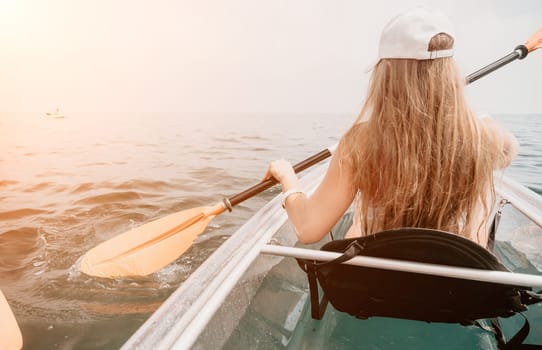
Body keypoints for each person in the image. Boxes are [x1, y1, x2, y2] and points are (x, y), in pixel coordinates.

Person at [263, 8, 519, 248]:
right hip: (455, 290)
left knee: (358, 230)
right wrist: (459, 112)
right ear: (449, 74)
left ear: (386, 74)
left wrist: (288, 177)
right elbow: (510, 149)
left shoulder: (361, 142)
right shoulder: (481, 137)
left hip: (380, 291)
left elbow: (308, 229)